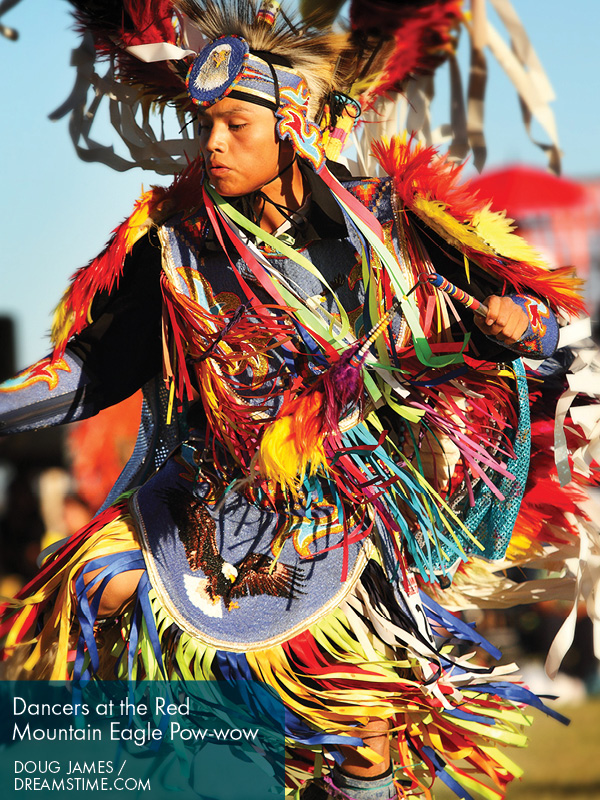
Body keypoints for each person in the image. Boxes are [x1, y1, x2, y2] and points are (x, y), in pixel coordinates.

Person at [0, 2, 588, 798]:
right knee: (106, 589)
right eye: (205, 123)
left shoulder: (387, 220)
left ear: (292, 124)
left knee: (363, 733)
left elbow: (545, 319)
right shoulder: (174, 243)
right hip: (204, 516)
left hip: (338, 516)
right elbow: (94, 371)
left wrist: (520, 329)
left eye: (234, 124)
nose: (211, 143)